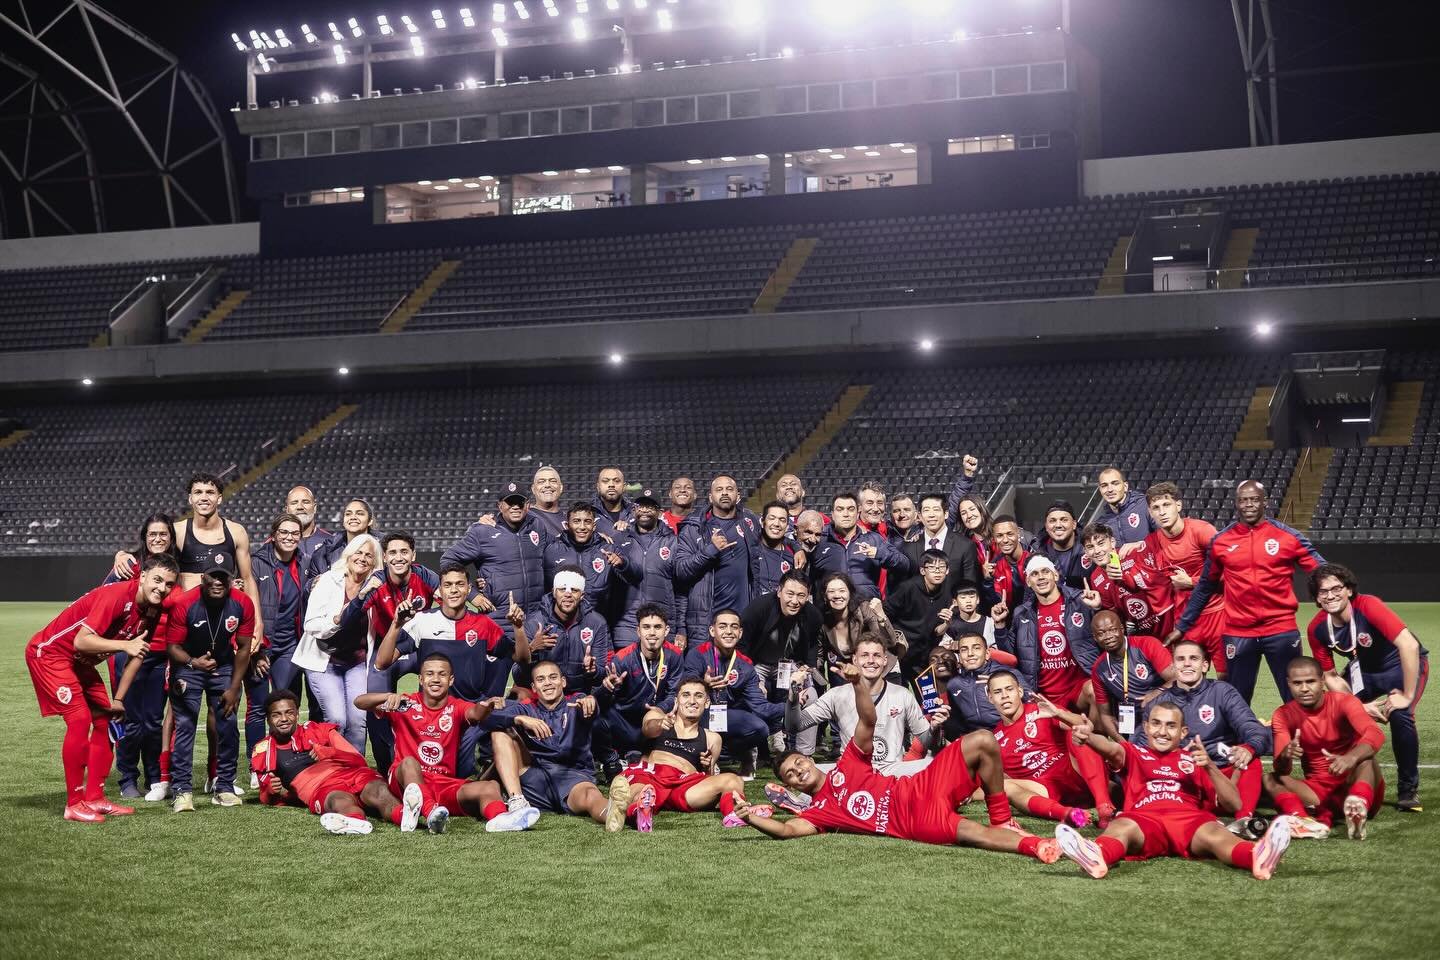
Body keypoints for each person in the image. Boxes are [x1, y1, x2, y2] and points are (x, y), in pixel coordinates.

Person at [736, 660, 1060, 864]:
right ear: (792, 785)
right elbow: (785, 830)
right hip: (915, 822)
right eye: (791, 775)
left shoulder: (848, 762)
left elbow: (868, 719)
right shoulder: (819, 813)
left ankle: (1002, 818)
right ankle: (1035, 845)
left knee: (983, 740)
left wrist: (857, 684)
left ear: (808, 758)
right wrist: (750, 818)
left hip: (922, 785)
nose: (798, 771)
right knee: (975, 834)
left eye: (797, 763)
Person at [1053, 701, 1293, 879]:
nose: (1162, 732)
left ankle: (1257, 856)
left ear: (1183, 732)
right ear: (1146, 727)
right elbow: (1111, 749)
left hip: (1188, 819)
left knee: (1214, 834)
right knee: (1122, 826)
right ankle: (1097, 854)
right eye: (1156, 724)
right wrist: (1089, 737)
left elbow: (1234, 805)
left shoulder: (1194, 759)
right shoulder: (1135, 753)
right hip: (1144, 819)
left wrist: (1209, 766)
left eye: (1171, 726)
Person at [27, 554, 178, 821]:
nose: (162, 588)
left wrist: (119, 699)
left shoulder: (153, 610)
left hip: (80, 663)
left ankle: (95, 798)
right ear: (143, 576)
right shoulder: (117, 596)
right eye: (157, 580)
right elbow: (82, 641)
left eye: (168, 584)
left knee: (106, 721)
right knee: (79, 718)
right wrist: (124, 645)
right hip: (50, 654)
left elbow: (137, 653)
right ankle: (74, 804)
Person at [1170, 479, 1324, 704]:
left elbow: (1321, 572)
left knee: (1295, 696)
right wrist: (1183, 626)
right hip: (1239, 632)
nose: (1249, 505)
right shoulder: (1221, 541)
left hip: (1280, 629)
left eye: (1254, 499)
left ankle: (1298, 728)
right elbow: (1205, 587)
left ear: (1265, 502)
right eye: (1243, 500)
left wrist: (1334, 600)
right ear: (1236, 503)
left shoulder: (1287, 536)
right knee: (1237, 699)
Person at [374, 562, 529, 776]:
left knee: (466, 768)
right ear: (440, 589)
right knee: (441, 773)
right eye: (448, 585)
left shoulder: (483, 624)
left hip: (469, 711)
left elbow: (521, 658)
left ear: (468, 589)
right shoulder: (423, 621)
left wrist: (518, 628)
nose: (454, 590)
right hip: (433, 712)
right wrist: (396, 625)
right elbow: (382, 662)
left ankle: (493, 768)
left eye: (459, 584)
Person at [355, 653, 538, 832]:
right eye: (430, 674)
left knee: (490, 787)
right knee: (409, 763)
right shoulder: (405, 703)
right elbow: (359, 702)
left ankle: (499, 818)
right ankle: (430, 812)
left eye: (442, 674)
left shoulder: (456, 707)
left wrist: (487, 706)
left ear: (451, 680)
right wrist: (387, 697)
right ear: (421, 679)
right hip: (406, 781)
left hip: (443, 782)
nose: (436, 679)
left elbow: (475, 713)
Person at [1305, 563, 1428, 811]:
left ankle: (1407, 789)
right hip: (1364, 671)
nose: (1330, 595)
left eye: (1336, 588)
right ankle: (1335, 782)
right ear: (1317, 598)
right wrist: (1357, 706)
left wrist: (1406, 695)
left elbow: (1409, 645)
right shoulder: (1317, 628)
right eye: (1323, 592)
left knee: (1400, 714)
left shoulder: (1368, 606)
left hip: (1401, 665)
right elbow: (1330, 676)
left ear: (1349, 590)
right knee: (1337, 713)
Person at [334, 530, 439, 775]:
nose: (398, 557)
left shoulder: (425, 576)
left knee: (438, 695)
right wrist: (361, 595)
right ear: (385, 557)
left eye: (404, 552)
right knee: (377, 705)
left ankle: (433, 761)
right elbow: (347, 621)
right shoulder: (377, 581)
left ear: (413, 555)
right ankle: (386, 768)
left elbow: (450, 601)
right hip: (386, 649)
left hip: (419, 647)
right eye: (392, 552)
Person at [1140, 640, 1270, 823]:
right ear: (1173, 666)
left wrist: (1248, 748)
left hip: (1223, 773)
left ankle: (1244, 821)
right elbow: (1140, 747)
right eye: (1181, 659)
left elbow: (1253, 729)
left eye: (1193, 658)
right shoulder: (1158, 704)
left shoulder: (1223, 692)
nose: (1187, 664)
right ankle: (1196, 817)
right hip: (1184, 776)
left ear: (1205, 665)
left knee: (1250, 761)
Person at [251, 689, 412, 835]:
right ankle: (356, 821)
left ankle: (405, 817)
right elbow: (266, 796)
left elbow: (358, 760)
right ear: (268, 719)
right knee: (338, 801)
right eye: (276, 715)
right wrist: (270, 791)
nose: (284, 719)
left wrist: (329, 753)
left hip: (352, 773)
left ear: (297, 714)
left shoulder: (318, 730)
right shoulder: (264, 750)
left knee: (379, 791)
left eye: (289, 713)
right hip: (321, 788)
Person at [488, 660, 626, 826]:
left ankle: (617, 815)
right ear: (533, 687)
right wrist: (518, 719)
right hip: (533, 778)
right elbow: (486, 719)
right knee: (500, 731)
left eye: (553, 677)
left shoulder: (577, 702)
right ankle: (517, 803)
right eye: (541, 679)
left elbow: (592, 704)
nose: (547, 683)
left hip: (572, 778)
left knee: (590, 796)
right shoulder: (526, 709)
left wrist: (597, 696)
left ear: (563, 682)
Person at [441, 480, 547, 694]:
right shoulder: (483, 531)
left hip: (533, 621)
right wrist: (472, 594)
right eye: (509, 502)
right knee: (491, 691)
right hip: (499, 623)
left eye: (520, 502)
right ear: (500, 506)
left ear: (527, 505)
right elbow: (448, 561)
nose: (515, 507)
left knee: (532, 691)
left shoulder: (537, 526)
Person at [608, 677, 755, 831]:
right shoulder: (657, 716)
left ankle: (735, 814)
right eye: (686, 695)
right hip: (650, 778)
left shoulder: (712, 738)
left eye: (698, 696)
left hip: (684, 786)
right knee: (639, 790)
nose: (692, 701)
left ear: (707, 702)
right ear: (676, 701)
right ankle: (638, 812)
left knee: (733, 780)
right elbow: (648, 728)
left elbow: (709, 780)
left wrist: (706, 767)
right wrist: (660, 723)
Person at [163, 567, 255, 811]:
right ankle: (182, 790)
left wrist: (234, 687)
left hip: (223, 666)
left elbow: (244, 648)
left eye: (223, 577)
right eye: (212, 577)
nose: (217, 582)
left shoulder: (243, 603)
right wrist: (193, 662)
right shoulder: (185, 603)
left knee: (228, 724)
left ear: (231, 580)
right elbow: (172, 647)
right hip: (188, 665)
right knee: (185, 726)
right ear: (203, 578)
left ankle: (224, 787)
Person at [1265, 656, 1387, 839]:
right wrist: (1285, 755)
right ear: (1288, 683)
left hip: (1352, 781)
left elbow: (1375, 733)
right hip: (1317, 792)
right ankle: (1303, 821)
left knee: (1366, 760)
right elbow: (1282, 769)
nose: (1304, 688)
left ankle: (1358, 803)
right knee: (1269, 779)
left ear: (1322, 680)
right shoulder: (1282, 714)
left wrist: (1351, 757)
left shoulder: (1344, 702)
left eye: (1310, 681)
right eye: (1297, 683)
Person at [787, 635, 946, 774]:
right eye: (864, 655)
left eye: (877, 655)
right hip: (852, 771)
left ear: (885, 660)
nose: (871, 660)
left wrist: (935, 728)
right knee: (808, 773)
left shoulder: (902, 695)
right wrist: (793, 700)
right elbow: (795, 726)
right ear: (855, 660)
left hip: (891, 772)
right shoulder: (837, 694)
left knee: (936, 766)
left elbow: (928, 743)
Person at [104, 513, 179, 800]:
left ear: (171, 537)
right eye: (152, 534)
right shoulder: (129, 566)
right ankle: (127, 778)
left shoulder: (176, 569)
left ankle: (154, 777)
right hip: (128, 652)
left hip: (161, 655)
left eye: (163, 534)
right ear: (144, 538)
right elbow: (104, 600)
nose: (158, 539)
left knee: (152, 721)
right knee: (130, 718)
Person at [986, 672, 1110, 826]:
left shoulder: (1042, 709)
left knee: (1078, 732)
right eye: (998, 692)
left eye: (1009, 689)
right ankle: (1067, 814)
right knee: (1005, 786)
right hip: (1046, 790)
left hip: (1077, 774)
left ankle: (1104, 806)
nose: (1004, 696)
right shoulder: (994, 739)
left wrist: (1058, 714)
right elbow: (997, 782)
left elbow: (1086, 725)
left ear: (1020, 691)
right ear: (990, 698)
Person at [294, 534, 382, 752]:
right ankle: (335, 767)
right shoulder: (328, 580)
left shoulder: (376, 587)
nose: (362, 558)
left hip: (357, 662)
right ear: (348, 555)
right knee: (337, 719)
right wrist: (336, 620)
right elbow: (311, 624)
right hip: (324, 660)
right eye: (358, 552)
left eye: (369, 555)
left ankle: (356, 768)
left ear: (375, 561)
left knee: (358, 721)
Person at [681, 609, 785, 776]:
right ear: (712, 630)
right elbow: (684, 691)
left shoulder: (745, 665)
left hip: (729, 717)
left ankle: (734, 754)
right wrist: (703, 684)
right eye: (722, 626)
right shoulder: (697, 654)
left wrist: (791, 705)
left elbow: (761, 707)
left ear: (740, 632)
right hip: (702, 716)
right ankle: (706, 756)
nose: (729, 631)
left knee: (760, 729)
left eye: (734, 627)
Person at [1145, 482, 1227, 677]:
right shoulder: (1153, 542)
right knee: (1189, 681)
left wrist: (1191, 582)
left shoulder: (1202, 531)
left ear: (1179, 505)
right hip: (1186, 622)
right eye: (1156, 508)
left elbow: (1231, 572)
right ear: (1150, 513)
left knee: (1227, 680)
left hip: (1217, 615)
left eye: (1167, 505)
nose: (1162, 512)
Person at [248, 514, 309, 777]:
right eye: (284, 532)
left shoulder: (305, 563)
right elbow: (247, 608)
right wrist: (257, 651)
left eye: (295, 533)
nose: (289, 537)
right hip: (259, 647)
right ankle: (256, 765)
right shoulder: (256, 563)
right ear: (273, 535)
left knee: (284, 704)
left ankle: (285, 762)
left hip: (289, 646)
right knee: (257, 707)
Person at [996, 556, 1097, 712]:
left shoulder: (1080, 601)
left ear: (1055, 575)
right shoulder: (1021, 613)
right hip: (1043, 695)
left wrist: (1097, 609)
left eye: (1045, 571)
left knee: (1094, 690)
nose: (1041, 577)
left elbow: (1106, 633)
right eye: (1034, 574)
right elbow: (1009, 656)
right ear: (1028, 581)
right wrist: (1000, 625)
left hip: (1078, 689)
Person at [594, 603, 684, 778]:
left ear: (666, 630)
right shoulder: (622, 659)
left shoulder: (675, 655)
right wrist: (609, 689)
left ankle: (641, 754)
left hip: (656, 720)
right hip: (625, 720)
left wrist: (659, 709)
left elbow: (674, 693)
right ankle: (612, 760)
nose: (652, 632)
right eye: (646, 627)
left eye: (657, 627)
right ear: (638, 631)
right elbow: (601, 700)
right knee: (594, 716)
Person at [674, 474, 758, 644]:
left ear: (738, 496)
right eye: (719, 489)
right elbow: (680, 571)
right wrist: (710, 550)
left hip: (741, 622)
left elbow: (775, 538)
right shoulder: (694, 528)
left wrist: (796, 548)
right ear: (711, 497)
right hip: (706, 623)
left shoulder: (749, 522)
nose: (725, 493)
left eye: (729, 489)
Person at [544, 501, 640, 629]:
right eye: (576, 521)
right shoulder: (551, 550)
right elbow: (543, 588)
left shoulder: (608, 548)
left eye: (587, 522)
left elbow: (636, 575)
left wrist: (623, 563)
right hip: (561, 627)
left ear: (594, 526)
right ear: (567, 525)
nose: (582, 527)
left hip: (599, 625)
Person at [739, 570, 824, 709]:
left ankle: (792, 723)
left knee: (810, 696)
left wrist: (807, 668)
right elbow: (742, 644)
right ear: (779, 592)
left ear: (808, 596)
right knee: (756, 694)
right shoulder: (759, 608)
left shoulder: (813, 615)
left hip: (788, 664)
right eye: (790, 594)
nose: (794, 601)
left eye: (801, 595)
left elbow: (812, 645)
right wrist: (751, 677)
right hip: (757, 664)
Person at [1079, 522, 1180, 638]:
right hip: (1144, 636)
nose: (1097, 551)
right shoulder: (1096, 578)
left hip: (1171, 622)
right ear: (1086, 552)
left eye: (1101, 543)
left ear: (1112, 542)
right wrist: (1098, 607)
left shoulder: (1132, 553)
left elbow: (1162, 580)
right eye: (1090, 547)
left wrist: (1142, 544)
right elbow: (1116, 616)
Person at [522, 564, 611, 694]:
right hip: (543, 697)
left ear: (582, 595)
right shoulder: (534, 622)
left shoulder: (597, 623)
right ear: (554, 592)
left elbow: (602, 675)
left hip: (579, 696)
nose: (568, 594)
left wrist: (593, 670)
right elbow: (519, 675)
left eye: (574, 590)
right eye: (562, 589)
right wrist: (532, 650)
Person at [1087, 610, 1174, 740]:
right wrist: (1122, 743)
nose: (1108, 636)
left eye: (1112, 630)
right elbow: (1105, 715)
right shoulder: (1099, 669)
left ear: (1122, 629)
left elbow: (1177, 678)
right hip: (1134, 722)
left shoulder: (1147, 644)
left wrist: (1156, 693)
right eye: (1101, 633)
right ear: (1095, 638)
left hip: (1165, 712)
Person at [808, 492, 913, 600]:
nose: (846, 514)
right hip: (829, 607)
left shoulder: (873, 539)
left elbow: (904, 564)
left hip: (865, 606)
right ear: (833, 515)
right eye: (840, 509)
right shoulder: (819, 540)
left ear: (858, 513)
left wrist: (879, 553)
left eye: (851, 509)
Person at [614, 493, 684, 648]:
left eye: (650, 507)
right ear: (634, 511)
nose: (644, 510)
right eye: (640, 506)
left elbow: (680, 589)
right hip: (626, 627)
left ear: (660, 512)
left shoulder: (672, 542)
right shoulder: (620, 539)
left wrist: (680, 629)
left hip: (660, 625)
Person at [817, 572, 908, 684]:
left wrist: (881, 616)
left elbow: (889, 642)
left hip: (884, 670)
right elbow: (819, 655)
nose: (837, 595)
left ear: (850, 593)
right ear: (825, 596)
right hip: (855, 675)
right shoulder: (823, 621)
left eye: (842, 591)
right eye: (831, 591)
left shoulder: (863, 609)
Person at [885, 550, 958, 680]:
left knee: (926, 689)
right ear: (923, 570)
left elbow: (937, 631)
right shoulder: (907, 588)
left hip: (926, 651)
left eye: (941, 567)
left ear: (947, 570)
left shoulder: (947, 591)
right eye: (932, 567)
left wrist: (947, 623)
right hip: (901, 649)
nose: (937, 571)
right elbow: (886, 612)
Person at [945, 632, 1022, 736]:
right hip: (976, 738)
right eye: (964, 650)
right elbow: (957, 723)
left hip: (1011, 732)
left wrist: (1000, 684)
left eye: (976, 648)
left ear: (987, 654)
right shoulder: (954, 685)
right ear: (959, 657)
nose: (970, 654)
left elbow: (1031, 703)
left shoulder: (1009, 675)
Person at [903, 494, 980, 594]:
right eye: (926, 510)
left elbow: (970, 586)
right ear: (920, 516)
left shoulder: (965, 545)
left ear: (946, 514)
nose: (931, 515)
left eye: (936, 509)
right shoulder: (909, 547)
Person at [305, 498, 378, 583]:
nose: (353, 517)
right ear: (343, 521)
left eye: (360, 513)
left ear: (370, 521)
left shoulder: (384, 547)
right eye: (348, 514)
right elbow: (310, 587)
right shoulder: (325, 552)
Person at [1031, 500, 1089, 590]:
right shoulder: (1037, 554)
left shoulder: (1090, 548)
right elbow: (1031, 593)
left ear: (1074, 524)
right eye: (1052, 521)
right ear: (1046, 526)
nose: (1058, 525)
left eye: (1064, 520)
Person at [1095, 465, 1155, 548]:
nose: (1110, 489)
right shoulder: (1101, 522)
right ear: (1100, 490)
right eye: (1104, 486)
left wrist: (1141, 545)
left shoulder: (1144, 505)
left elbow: (1164, 535)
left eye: (1115, 483)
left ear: (1125, 486)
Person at [752, 500, 801, 598]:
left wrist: (799, 549)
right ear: (762, 522)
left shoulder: (793, 557)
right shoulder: (750, 548)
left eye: (782, 520)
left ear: (787, 526)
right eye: (772, 518)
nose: (777, 524)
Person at [987, 514, 1029, 612]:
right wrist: (988, 581)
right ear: (994, 538)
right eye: (999, 536)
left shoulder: (1034, 557)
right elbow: (996, 603)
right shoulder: (994, 566)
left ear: (1018, 534)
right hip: (1010, 617)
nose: (1005, 540)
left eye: (1010, 534)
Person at [284, 485, 332, 570]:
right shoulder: (275, 544)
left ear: (314, 508)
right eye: (294, 503)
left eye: (305, 502)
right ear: (287, 510)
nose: (300, 507)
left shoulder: (330, 541)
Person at [940, 582, 997, 651]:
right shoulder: (951, 624)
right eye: (963, 598)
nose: (968, 601)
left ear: (978, 600)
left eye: (972, 597)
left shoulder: (989, 623)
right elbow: (943, 647)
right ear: (955, 602)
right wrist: (951, 647)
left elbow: (995, 647)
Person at [592, 465, 635, 535]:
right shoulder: (588, 513)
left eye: (617, 481)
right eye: (605, 481)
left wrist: (631, 529)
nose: (611, 485)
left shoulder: (636, 512)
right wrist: (596, 537)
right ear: (598, 487)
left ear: (624, 487)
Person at [528, 466, 567, 540]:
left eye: (553, 481)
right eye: (541, 482)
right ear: (533, 489)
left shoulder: (569, 519)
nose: (547, 485)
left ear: (561, 488)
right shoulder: (526, 518)